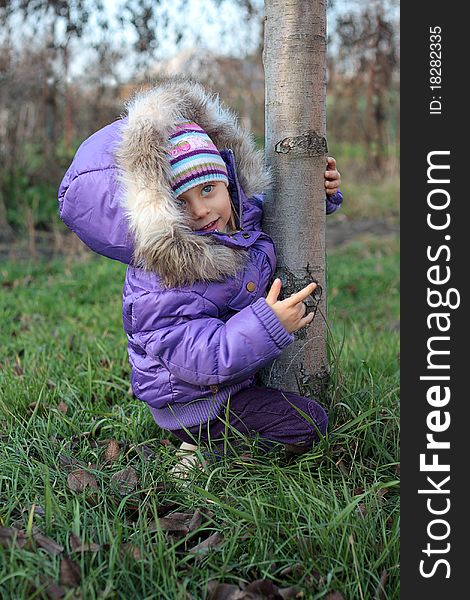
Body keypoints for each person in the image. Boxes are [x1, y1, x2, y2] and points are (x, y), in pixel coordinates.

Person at [58, 78, 343, 473]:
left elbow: (274, 216)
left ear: (227, 180)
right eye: (180, 202)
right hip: (197, 403)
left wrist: (318, 192)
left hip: (233, 377)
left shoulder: (235, 220)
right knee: (310, 424)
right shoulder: (161, 280)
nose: (202, 210)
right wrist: (267, 326)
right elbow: (199, 357)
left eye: (208, 188)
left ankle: (223, 441)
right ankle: (202, 450)